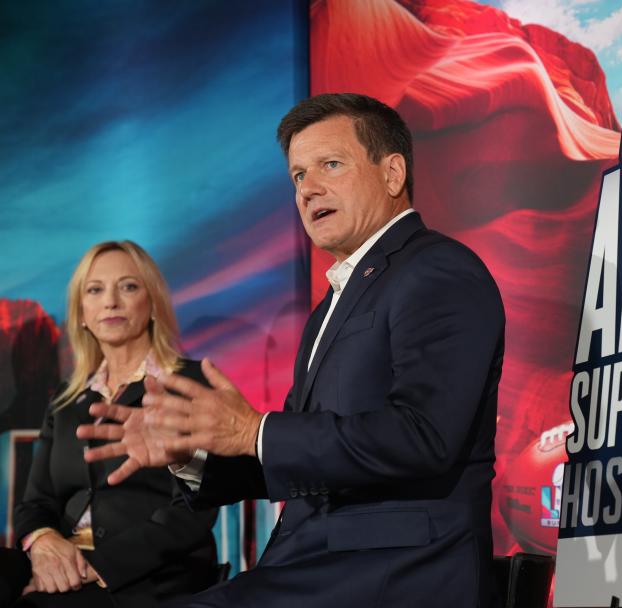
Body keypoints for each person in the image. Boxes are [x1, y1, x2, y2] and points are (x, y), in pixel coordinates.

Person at [78, 93, 506, 607]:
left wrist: (252, 430)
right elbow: (308, 457)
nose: (309, 189)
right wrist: (192, 455)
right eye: (299, 176)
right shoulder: (330, 307)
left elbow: (424, 435)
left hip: (398, 571)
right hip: (313, 567)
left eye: (330, 164)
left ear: (392, 174)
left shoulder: (437, 270)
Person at [0, 241, 219, 608]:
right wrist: (43, 543)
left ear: (152, 303)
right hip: (64, 556)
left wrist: (94, 566)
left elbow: (195, 510)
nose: (111, 301)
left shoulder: (191, 384)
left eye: (128, 286)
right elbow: (35, 503)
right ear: (82, 312)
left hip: (148, 573)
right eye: (95, 289)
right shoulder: (67, 401)